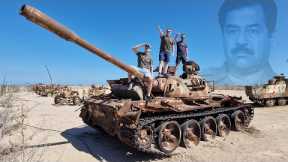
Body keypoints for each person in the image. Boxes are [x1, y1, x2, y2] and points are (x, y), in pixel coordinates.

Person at [204, 0, 277, 85]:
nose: (241, 41)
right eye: (232, 31)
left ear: (271, 37)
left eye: (253, 31)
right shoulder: (201, 81)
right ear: (223, 36)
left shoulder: (283, 87)